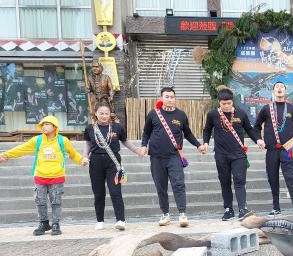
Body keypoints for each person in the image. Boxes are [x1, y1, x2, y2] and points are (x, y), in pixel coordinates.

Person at [0, 115, 88, 235]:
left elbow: (73, 154)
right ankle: (44, 223)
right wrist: (6, 155)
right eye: (43, 125)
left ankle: (56, 224)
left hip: (56, 176)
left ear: (54, 127)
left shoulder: (63, 141)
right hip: (40, 176)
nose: (44, 127)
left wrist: (82, 160)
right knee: (40, 201)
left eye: (47, 124)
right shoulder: (37, 140)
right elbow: (22, 149)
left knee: (56, 202)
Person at [140, 87, 206, 227]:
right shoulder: (153, 114)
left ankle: (182, 214)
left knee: (178, 184)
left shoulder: (180, 115)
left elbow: (187, 133)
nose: (170, 99)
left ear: (175, 98)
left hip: (174, 156)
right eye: (167, 97)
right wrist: (144, 145)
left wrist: (198, 145)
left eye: (172, 97)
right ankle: (165, 214)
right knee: (161, 186)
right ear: (161, 98)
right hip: (156, 157)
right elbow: (146, 132)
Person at [254, 81, 293, 216]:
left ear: (285, 91)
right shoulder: (266, 109)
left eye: (282, 87)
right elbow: (256, 126)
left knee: (292, 178)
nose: (279, 89)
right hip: (271, 150)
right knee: (273, 178)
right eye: (277, 87)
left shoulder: (292, 109)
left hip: (287, 150)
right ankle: (276, 208)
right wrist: (258, 139)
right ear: (273, 91)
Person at [203, 88, 263, 221]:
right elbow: (207, 130)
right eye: (223, 104)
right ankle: (228, 210)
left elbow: (249, 129)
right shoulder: (212, 114)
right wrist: (205, 143)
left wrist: (258, 139)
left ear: (232, 102)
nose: (226, 106)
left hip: (238, 154)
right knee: (225, 182)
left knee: (239, 180)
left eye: (229, 103)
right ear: (219, 102)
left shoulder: (240, 113)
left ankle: (242, 209)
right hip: (221, 154)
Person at [84, 104, 144, 231]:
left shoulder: (117, 127)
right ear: (96, 114)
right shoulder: (90, 128)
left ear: (110, 114)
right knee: (98, 193)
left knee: (115, 191)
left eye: (106, 113)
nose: (104, 116)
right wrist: (85, 157)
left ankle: (120, 220)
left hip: (113, 162)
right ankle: (100, 221)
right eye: (101, 113)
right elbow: (88, 144)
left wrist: (137, 150)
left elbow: (125, 141)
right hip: (95, 162)